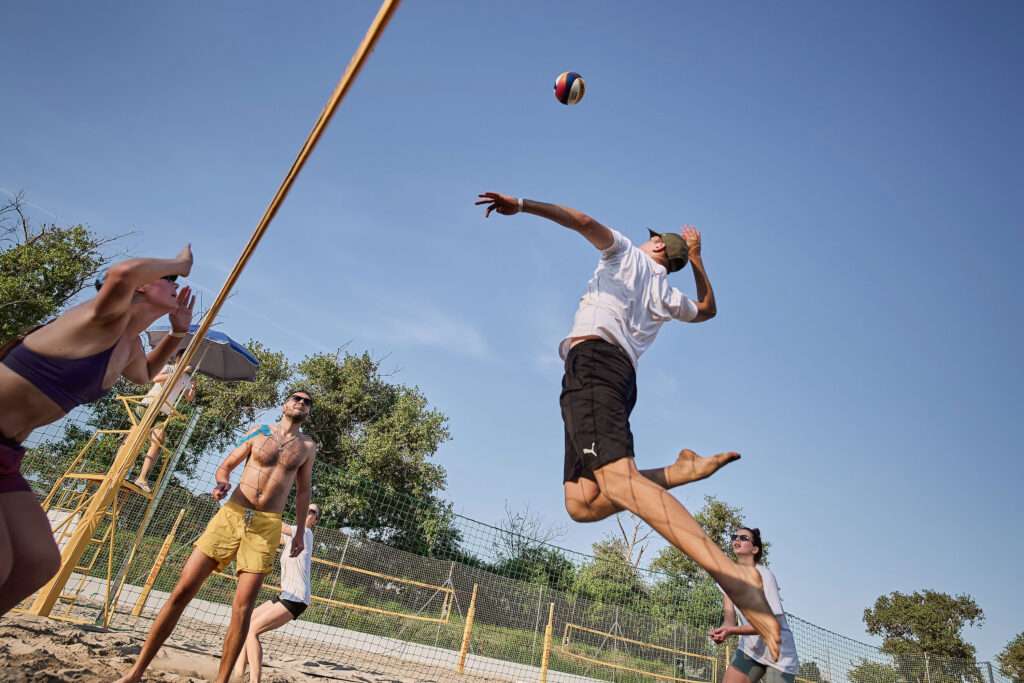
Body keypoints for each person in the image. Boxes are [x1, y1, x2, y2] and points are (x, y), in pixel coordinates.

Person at [475, 192, 781, 659]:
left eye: (652, 237)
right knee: (582, 503)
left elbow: (581, 219)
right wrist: (698, 261)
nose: (647, 239)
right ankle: (679, 472)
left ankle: (733, 578)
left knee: (620, 484)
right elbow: (709, 309)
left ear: (658, 246)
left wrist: (521, 204)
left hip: (594, 367)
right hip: (609, 376)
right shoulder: (668, 294)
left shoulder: (623, 254)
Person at [0, 246, 195, 617]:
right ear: (140, 287)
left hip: (6, 453)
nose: (177, 284)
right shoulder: (103, 316)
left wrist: (178, 333)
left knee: (38, 562)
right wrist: (180, 264)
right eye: (167, 280)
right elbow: (122, 273)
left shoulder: (130, 344)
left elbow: (144, 376)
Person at [116, 390, 317, 683]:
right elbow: (226, 465)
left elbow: (303, 492)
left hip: (265, 526)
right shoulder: (260, 431)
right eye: (296, 398)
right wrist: (222, 482)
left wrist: (299, 532)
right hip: (232, 514)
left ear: (308, 411)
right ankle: (136, 672)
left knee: (243, 609)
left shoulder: (308, 446)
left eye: (306, 401)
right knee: (182, 590)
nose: (300, 402)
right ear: (285, 404)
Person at [233, 503, 321, 683]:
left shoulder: (305, 533)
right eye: (307, 508)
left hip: (296, 598)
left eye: (312, 512)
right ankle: (238, 676)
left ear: (315, 521)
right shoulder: (292, 538)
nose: (307, 512)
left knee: (252, 631)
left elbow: (279, 526)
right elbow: (272, 534)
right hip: (286, 595)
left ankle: (254, 680)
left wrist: (258, 509)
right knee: (245, 622)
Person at [710, 528, 800, 683]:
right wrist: (724, 630)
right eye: (735, 536)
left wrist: (732, 630)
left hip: (779, 655)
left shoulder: (765, 576)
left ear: (755, 549)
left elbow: (767, 624)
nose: (737, 539)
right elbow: (729, 618)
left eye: (744, 538)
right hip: (750, 651)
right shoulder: (727, 577)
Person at [133, 347, 197, 492]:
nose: (188, 362)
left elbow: (188, 398)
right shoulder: (169, 368)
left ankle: (142, 478)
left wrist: (193, 388)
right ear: (178, 359)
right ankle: (118, 468)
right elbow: (156, 379)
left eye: (190, 359)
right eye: (185, 358)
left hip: (164, 411)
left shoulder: (186, 378)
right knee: (133, 437)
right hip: (149, 405)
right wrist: (179, 371)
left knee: (158, 441)